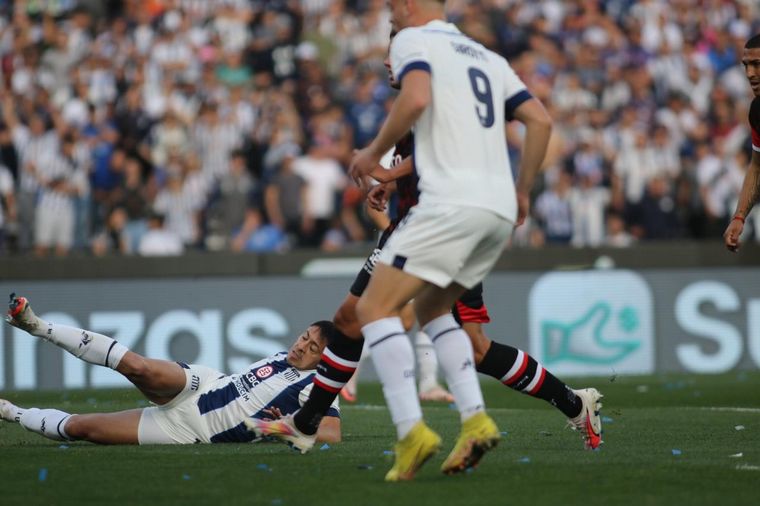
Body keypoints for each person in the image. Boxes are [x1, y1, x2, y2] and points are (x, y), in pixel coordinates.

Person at [254, 0, 554, 482]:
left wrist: (372, 153)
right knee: (435, 309)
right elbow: (539, 121)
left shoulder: (417, 39)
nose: (391, 21)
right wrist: (522, 191)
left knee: (372, 311)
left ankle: (412, 433)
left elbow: (415, 99)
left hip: (446, 204)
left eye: (393, 11)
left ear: (411, 7)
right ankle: (475, 420)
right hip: (496, 209)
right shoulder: (486, 57)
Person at [0, 294, 341, 445]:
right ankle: (36, 325)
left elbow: (329, 434)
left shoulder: (317, 385)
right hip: (202, 385)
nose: (301, 346)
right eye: (304, 336)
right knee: (138, 366)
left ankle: (11, 412)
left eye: (312, 347)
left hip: (190, 429)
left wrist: (280, 427)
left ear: (324, 360)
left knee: (82, 429)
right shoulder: (283, 356)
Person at [724, 34, 760, 252]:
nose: (750, 74)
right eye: (746, 66)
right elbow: (757, 166)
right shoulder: (758, 111)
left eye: (757, 65)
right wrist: (739, 216)